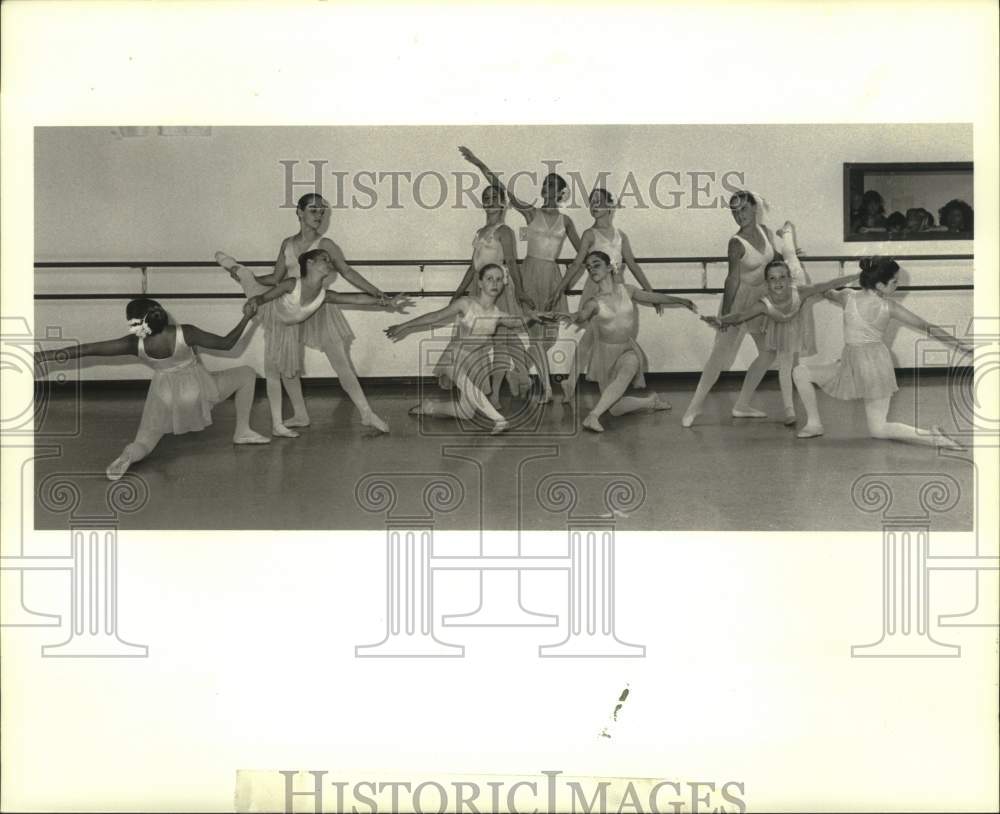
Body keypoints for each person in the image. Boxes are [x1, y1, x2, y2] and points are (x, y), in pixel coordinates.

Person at [216, 192, 394, 435]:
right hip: (291, 302)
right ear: (299, 212)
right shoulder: (287, 244)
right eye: (313, 210)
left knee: (340, 362)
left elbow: (348, 272)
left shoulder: (326, 245)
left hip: (319, 306)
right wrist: (253, 281)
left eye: (322, 211)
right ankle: (300, 414)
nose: (319, 215)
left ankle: (366, 413)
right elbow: (277, 278)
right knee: (285, 359)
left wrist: (379, 294)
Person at [34, 298, 269, 481]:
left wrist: (45, 356)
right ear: (159, 313)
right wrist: (246, 317)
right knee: (247, 373)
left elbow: (87, 349)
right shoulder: (185, 332)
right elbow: (228, 343)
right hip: (198, 389)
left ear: (135, 323)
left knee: (145, 440)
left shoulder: (133, 343)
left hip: (164, 395)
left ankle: (128, 456)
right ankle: (243, 430)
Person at [792, 256, 971, 447]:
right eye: (894, 281)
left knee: (800, 372)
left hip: (869, 365)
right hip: (864, 364)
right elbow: (928, 327)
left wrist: (844, 279)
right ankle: (814, 424)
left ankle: (934, 438)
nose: (897, 285)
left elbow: (823, 291)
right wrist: (962, 346)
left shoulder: (847, 296)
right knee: (878, 429)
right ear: (879, 284)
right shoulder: (887, 306)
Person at [458, 146, 582, 400]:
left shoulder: (566, 221)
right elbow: (503, 189)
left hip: (552, 277)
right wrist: (479, 163)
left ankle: (520, 372)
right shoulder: (530, 212)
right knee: (533, 334)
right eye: (545, 186)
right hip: (530, 273)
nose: (547, 191)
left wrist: (564, 285)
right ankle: (546, 389)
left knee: (547, 336)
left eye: (552, 187)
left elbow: (583, 255)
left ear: (560, 193)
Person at [680, 190, 802, 427]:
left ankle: (742, 404)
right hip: (737, 300)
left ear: (754, 209)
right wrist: (725, 316)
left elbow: (772, 257)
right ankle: (693, 409)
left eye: (744, 209)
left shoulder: (765, 232)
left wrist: (790, 256)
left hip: (760, 301)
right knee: (718, 357)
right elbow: (731, 280)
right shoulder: (736, 243)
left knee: (768, 353)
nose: (739, 215)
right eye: (734, 212)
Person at [386, 264, 546, 434]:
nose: (495, 283)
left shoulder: (497, 313)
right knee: (467, 385)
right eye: (489, 279)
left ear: (503, 284)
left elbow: (516, 321)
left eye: (499, 280)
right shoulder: (465, 303)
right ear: (480, 283)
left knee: (466, 412)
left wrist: (531, 316)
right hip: (456, 356)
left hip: (477, 361)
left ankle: (429, 407)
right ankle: (499, 420)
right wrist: (404, 325)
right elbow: (436, 316)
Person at [555, 251, 697, 432]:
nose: (591, 269)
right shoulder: (594, 302)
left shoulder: (627, 290)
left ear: (609, 267)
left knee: (628, 370)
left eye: (596, 264)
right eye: (589, 267)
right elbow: (581, 315)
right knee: (615, 408)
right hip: (605, 356)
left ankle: (593, 416)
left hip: (627, 349)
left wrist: (680, 300)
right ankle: (649, 402)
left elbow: (652, 297)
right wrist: (571, 316)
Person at [705, 261, 858, 425]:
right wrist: (721, 320)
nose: (778, 282)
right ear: (767, 282)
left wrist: (857, 276)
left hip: (793, 329)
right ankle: (788, 409)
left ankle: (789, 410)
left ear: (790, 279)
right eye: (772, 278)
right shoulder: (763, 303)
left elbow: (829, 284)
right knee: (783, 365)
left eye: (782, 277)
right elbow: (741, 316)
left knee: (786, 364)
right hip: (775, 329)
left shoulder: (800, 291)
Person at [450, 183, 534, 404]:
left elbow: (513, 264)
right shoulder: (479, 232)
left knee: (500, 341)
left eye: (495, 197)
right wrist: (459, 291)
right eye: (486, 197)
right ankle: (516, 379)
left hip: (498, 290)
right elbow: (473, 266)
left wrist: (521, 292)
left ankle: (496, 393)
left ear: (503, 203)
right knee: (473, 340)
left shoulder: (505, 232)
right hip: (478, 289)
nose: (490, 201)